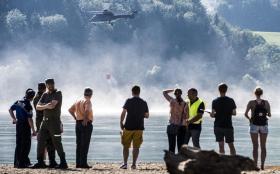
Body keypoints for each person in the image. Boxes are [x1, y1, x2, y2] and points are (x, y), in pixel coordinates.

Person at [33, 79, 68, 169]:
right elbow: (37, 107)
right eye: (48, 84)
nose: (50, 86)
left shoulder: (58, 93)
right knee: (40, 140)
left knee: (57, 142)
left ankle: (63, 162)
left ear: (54, 84)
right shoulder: (45, 94)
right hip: (44, 122)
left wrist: (44, 106)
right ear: (46, 85)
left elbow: (52, 105)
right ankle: (40, 162)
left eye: (51, 84)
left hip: (54, 122)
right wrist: (46, 105)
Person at [120, 85, 149, 170]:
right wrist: (141, 114)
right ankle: (133, 164)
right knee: (136, 147)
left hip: (128, 127)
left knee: (126, 146)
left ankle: (125, 164)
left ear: (132, 92)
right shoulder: (144, 102)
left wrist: (121, 122)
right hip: (139, 127)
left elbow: (123, 113)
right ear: (139, 92)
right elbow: (147, 116)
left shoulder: (128, 101)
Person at [9, 89, 36, 168]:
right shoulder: (28, 106)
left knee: (19, 144)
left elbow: (10, 109)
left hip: (18, 125)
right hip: (25, 126)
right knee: (26, 145)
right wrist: (34, 130)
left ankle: (16, 163)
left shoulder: (18, 102)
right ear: (32, 97)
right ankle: (23, 163)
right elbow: (29, 119)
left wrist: (14, 119)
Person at [245, 87, 271, 170]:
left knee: (255, 146)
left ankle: (255, 165)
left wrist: (250, 119)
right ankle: (262, 166)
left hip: (254, 125)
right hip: (264, 125)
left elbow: (245, 114)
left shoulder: (251, 102)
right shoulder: (266, 102)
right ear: (261, 93)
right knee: (263, 146)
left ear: (255, 93)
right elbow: (269, 115)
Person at [33, 83, 57, 167]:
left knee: (44, 143)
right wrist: (48, 105)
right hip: (43, 122)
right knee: (47, 142)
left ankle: (46, 161)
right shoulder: (41, 97)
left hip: (42, 122)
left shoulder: (37, 97)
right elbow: (47, 108)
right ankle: (46, 161)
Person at [69, 88, 94, 168]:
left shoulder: (78, 101)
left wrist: (75, 118)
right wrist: (86, 119)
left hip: (78, 123)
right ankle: (83, 163)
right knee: (85, 144)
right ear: (91, 94)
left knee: (79, 144)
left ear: (84, 93)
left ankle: (78, 163)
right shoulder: (88, 101)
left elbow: (70, 110)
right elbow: (87, 110)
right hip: (85, 124)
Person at [210, 83, 237, 155]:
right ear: (226, 90)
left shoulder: (215, 101)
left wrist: (213, 114)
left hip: (218, 126)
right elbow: (234, 113)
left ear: (219, 90)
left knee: (221, 146)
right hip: (228, 126)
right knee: (231, 145)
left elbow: (212, 115)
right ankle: (233, 161)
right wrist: (227, 112)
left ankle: (222, 162)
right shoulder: (231, 100)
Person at [163, 88, 188, 153]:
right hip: (182, 126)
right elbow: (186, 117)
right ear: (181, 94)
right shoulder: (185, 104)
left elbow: (164, 92)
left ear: (174, 94)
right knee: (180, 146)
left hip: (172, 126)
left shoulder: (172, 101)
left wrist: (172, 90)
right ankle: (180, 161)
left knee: (171, 146)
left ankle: (172, 161)